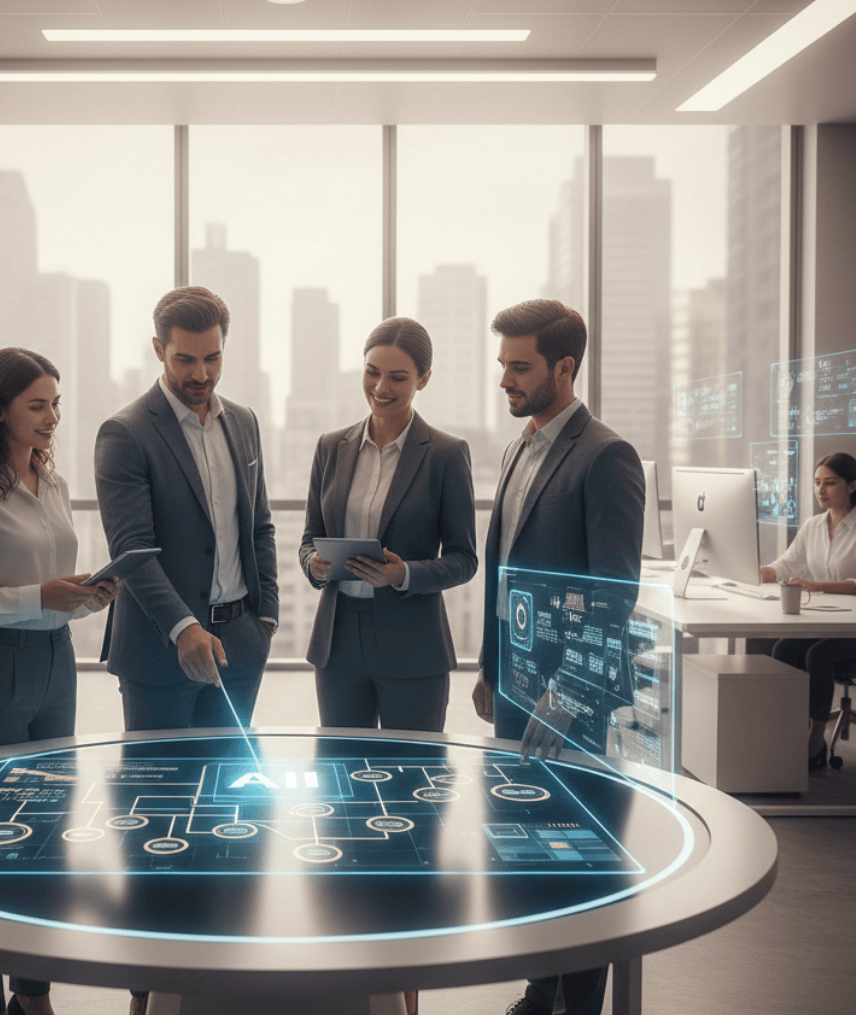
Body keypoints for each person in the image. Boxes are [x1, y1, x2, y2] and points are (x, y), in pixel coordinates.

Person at [0, 348, 118, 1016]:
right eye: (36, 405)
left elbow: (51, 591)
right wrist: (37, 596)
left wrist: (89, 595)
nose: (51, 417)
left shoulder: (53, 483)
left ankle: (33, 992)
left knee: (45, 837)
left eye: (55, 404)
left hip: (55, 666)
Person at [471, 299, 644, 1016]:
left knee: (577, 858)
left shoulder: (606, 456)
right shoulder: (521, 445)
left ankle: (575, 1006)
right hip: (518, 690)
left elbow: (615, 593)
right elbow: (505, 567)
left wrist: (569, 692)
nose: (504, 380)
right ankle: (542, 988)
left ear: (564, 368)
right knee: (528, 846)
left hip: (574, 701)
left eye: (520, 366)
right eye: (502, 364)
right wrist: (490, 668)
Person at [95, 286, 279, 737]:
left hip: (240, 646)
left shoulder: (244, 421)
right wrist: (184, 629)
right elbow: (132, 550)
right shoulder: (124, 433)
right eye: (185, 360)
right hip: (160, 652)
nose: (201, 373)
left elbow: (258, 525)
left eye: (212, 358)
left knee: (229, 792)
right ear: (159, 350)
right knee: (159, 798)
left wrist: (266, 618)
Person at [299, 316, 477, 733]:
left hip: (413, 643)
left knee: (412, 781)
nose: (381, 388)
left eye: (398, 377)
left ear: (424, 379)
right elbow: (309, 537)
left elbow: (464, 559)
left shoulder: (446, 455)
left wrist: (404, 574)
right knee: (341, 777)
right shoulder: (331, 447)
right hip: (338, 642)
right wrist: (313, 564)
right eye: (372, 373)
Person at [762, 452, 856, 769]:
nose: (821, 490)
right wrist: (757, 569)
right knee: (783, 648)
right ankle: (787, 734)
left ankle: (815, 740)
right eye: (817, 483)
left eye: (830, 483)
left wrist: (818, 586)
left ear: (852, 485)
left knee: (817, 656)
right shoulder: (813, 525)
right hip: (827, 622)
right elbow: (785, 566)